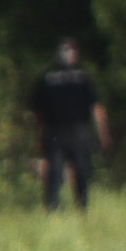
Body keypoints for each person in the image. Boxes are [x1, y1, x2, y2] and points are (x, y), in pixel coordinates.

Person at [31, 39, 108, 213]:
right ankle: (82, 207)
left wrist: (38, 134)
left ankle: (53, 208)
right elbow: (96, 108)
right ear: (75, 55)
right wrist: (103, 134)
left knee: (55, 172)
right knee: (80, 170)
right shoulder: (83, 78)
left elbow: (37, 113)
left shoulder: (46, 78)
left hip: (55, 132)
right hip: (77, 131)